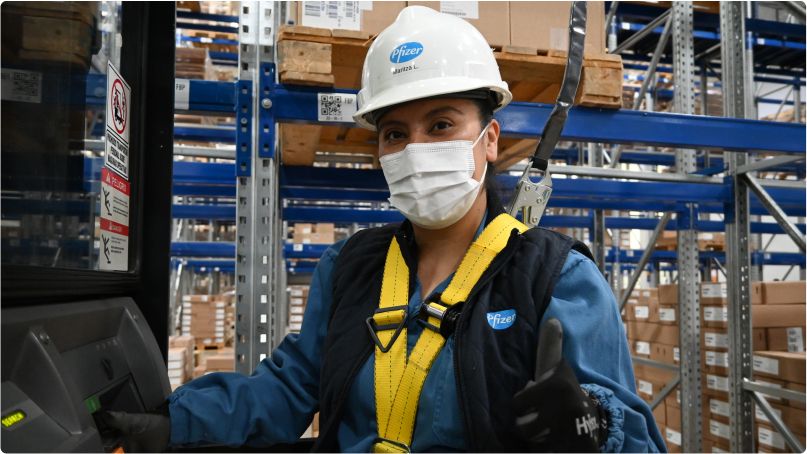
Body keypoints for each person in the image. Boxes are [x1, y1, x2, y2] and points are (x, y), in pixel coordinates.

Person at [104, 6, 665, 453]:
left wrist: (592, 425)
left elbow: (634, 439)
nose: (416, 149)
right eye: (395, 133)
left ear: (489, 139)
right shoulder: (351, 269)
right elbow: (287, 389)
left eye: (441, 124)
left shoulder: (556, 278)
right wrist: (173, 422)